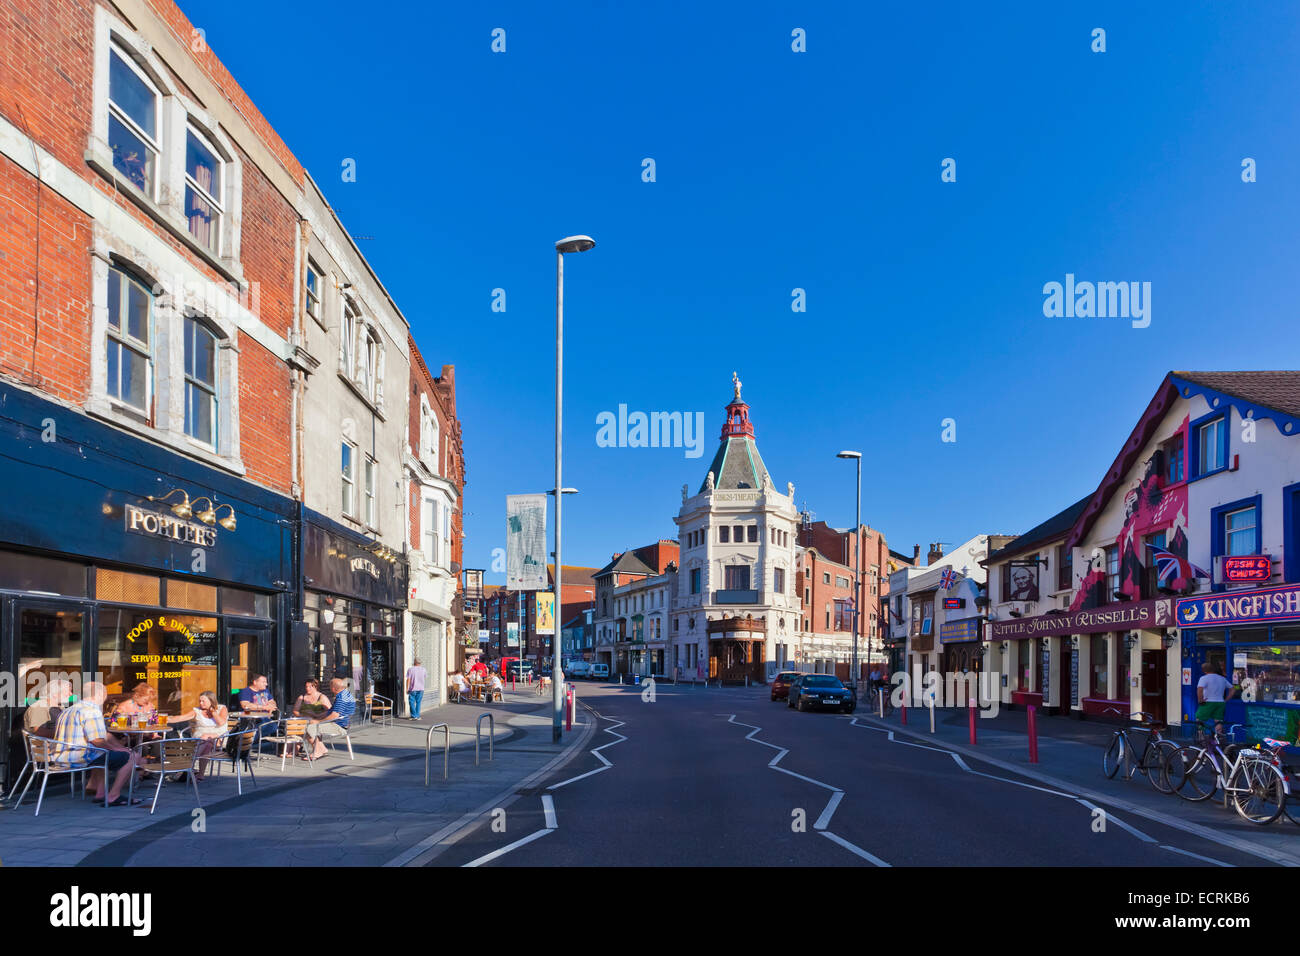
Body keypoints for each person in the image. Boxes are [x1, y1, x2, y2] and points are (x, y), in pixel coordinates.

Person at [52, 682, 142, 806]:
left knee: (100, 754)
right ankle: (113, 796)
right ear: (100, 694)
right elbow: (96, 741)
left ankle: (101, 794)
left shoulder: (68, 710)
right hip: (78, 757)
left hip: (61, 756)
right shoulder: (91, 711)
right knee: (132, 757)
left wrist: (120, 748)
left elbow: (103, 735)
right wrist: (119, 751)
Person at [178, 691, 228, 780]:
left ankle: (189, 764)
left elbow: (221, 722)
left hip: (219, 739)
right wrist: (165, 719)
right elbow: (181, 718)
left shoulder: (222, 708)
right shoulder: (197, 711)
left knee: (206, 738)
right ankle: (200, 775)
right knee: (207, 743)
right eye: (199, 701)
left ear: (211, 701)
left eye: (203, 701)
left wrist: (212, 711)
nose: (201, 703)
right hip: (201, 740)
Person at [303, 678, 355, 761]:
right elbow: (330, 711)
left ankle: (317, 751)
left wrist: (318, 721)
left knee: (308, 728)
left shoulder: (341, 698)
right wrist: (317, 716)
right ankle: (322, 749)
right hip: (341, 723)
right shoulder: (345, 694)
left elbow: (334, 716)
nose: (329, 688)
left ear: (333, 688)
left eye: (330, 686)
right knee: (311, 724)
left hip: (339, 726)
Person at [1196, 662, 1236, 737]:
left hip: (1208, 702)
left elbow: (1199, 689)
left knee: (1199, 719)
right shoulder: (1222, 678)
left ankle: (1202, 738)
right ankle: (1218, 739)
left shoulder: (1204, 678)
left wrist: (1200, 700)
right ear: (1213, 669)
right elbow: (1233, 689)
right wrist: (1226, 699)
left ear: (1204, 671)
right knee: (1218, 721)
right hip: (1220, 702)